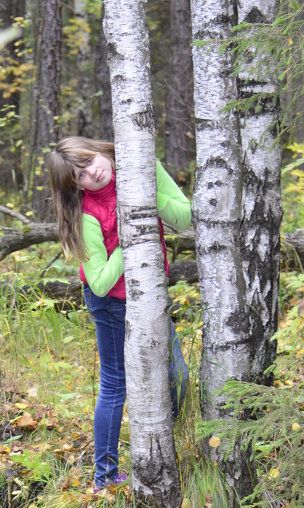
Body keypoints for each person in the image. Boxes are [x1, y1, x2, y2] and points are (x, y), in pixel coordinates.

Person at [48, 136, 192, 489]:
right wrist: (131, 240)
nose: (92, 174)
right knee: (116, 385)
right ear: (75, 187)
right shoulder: (87, 214)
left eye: (89, 161)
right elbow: (98, 281)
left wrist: (144, 197)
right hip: (110, 303)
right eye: (80, 176)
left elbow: (184, 217)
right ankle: (106, 477)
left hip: (149, 294)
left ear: (98, 149)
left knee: (178, 377)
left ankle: (166, 454)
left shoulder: (140, 165)